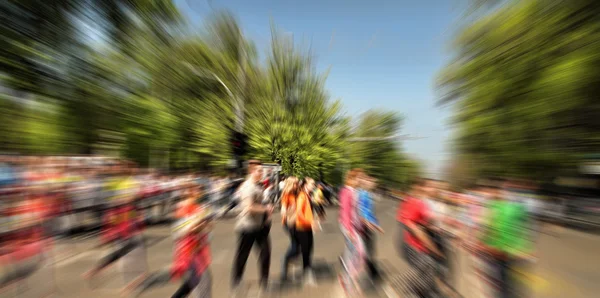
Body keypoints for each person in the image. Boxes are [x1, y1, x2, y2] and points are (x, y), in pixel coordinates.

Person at [124, 184, 214, 298]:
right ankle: (145, 282)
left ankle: (146, 282)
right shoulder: (183, 209)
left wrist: (205, 224)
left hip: (197, 250)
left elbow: (206, 227)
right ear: (188, 193)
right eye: (197, 189)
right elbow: (180, 231)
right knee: (202, 284)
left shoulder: (199, 208)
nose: (200, 192)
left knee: (192, 283)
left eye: (200, 189)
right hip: (189, 252)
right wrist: (198, 224)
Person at [477, 181, 534, 298]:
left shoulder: (494, 207)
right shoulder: (517, 207)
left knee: (502, 287)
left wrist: (481, 243)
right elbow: (525, 228)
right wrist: (527, 249)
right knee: (514, 286)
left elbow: (490, 228)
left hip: (501, 253)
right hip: (517, 252)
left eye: (488, 192)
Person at [391, 178, 444, 298]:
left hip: (419, 242)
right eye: (431, 186)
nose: (435, 189)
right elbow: (411, 225)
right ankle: (398, 288)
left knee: (427, 268)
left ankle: (417, 291)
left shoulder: (423, 202)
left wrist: (431, 226)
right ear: (421, 187)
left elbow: (423, 222)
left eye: (435, 186)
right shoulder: (416, 202)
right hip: (412, 242)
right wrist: (432, 248)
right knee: (423, 265)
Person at [231, 160, 272, 295]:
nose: (262, 173)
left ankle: (264, 282)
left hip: (260, 227)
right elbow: (249, 208)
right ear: (252, 171)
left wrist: (266, 216)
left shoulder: (258, 185)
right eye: (259, 171)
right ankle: (236, 281)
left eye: (262, 171)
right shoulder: (248, 187)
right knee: (243, 255)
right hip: (247, 226)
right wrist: (266, 209)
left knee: (266, 253)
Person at [357, 174, 384, 285]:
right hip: (364, 226)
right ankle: (373, 273)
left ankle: (373, 272)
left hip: (369, 225)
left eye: (374, 182)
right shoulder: (362, 194)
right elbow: (361, 211)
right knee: (367, 250)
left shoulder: (367, 194)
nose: (374, 184)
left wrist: (376, 224)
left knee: (368, 250)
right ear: (366, 181)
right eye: (372, 181)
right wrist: (369, 224)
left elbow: (369, 212)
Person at [280, 177, 299, 282]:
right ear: (291, 184)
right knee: (295, 245)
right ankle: (285, 261)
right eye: (295, 184)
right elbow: (283, 211)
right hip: (289, 223)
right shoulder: (286, 195)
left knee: (297, 245)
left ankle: (290, 260)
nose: (297, 185)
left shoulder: (297, 193)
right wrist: (291, 211)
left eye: (297, 183)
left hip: (297, 223)